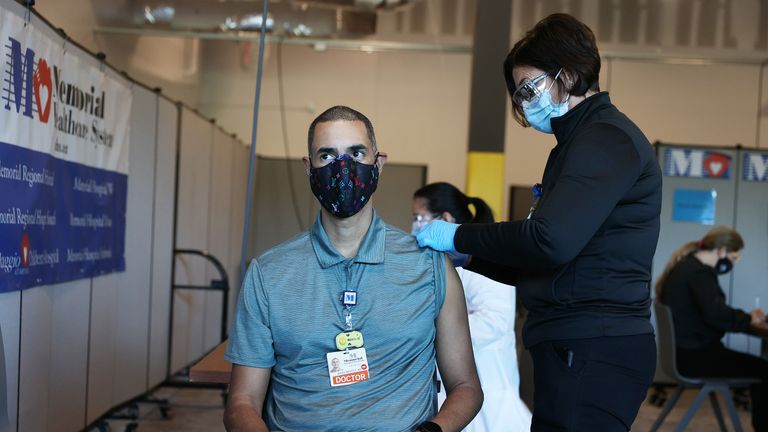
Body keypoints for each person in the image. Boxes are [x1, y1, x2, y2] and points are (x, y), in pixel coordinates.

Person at [415, 13, 662, 431]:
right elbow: (544, 257)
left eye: (529, 88)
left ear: (568, 73)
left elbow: (550, 241)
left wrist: (456, 232)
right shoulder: (576, 145)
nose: (525, 105)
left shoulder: (605, 139)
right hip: (575, 341)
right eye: (519, 96)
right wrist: (468, 254)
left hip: (594, 343)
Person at [224, 105, 483, 432]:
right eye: (327, 156)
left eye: (357, 153)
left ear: (379, 163)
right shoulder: (268, 273)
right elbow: (242, 402)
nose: (343, 168)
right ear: (309, 167)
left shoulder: (430, 266)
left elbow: (466, 387)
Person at [412, 182, 532, 432]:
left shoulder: (482, 262)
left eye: (418, 217)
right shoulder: (444, 262)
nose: (413, 225)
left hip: (491, 394)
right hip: (456, 394)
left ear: (445, 218)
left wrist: (438, 328)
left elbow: (494, 322)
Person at [657, 227, 768, 431]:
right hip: (696, 357)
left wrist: (744, 318)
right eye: (735, 257)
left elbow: (714, 311)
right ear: (722, 250)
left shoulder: (686, 267)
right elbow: (717, 315)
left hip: (684, 354)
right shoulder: (699, 273)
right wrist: (749, 318)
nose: (733, 262)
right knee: (765, 370)